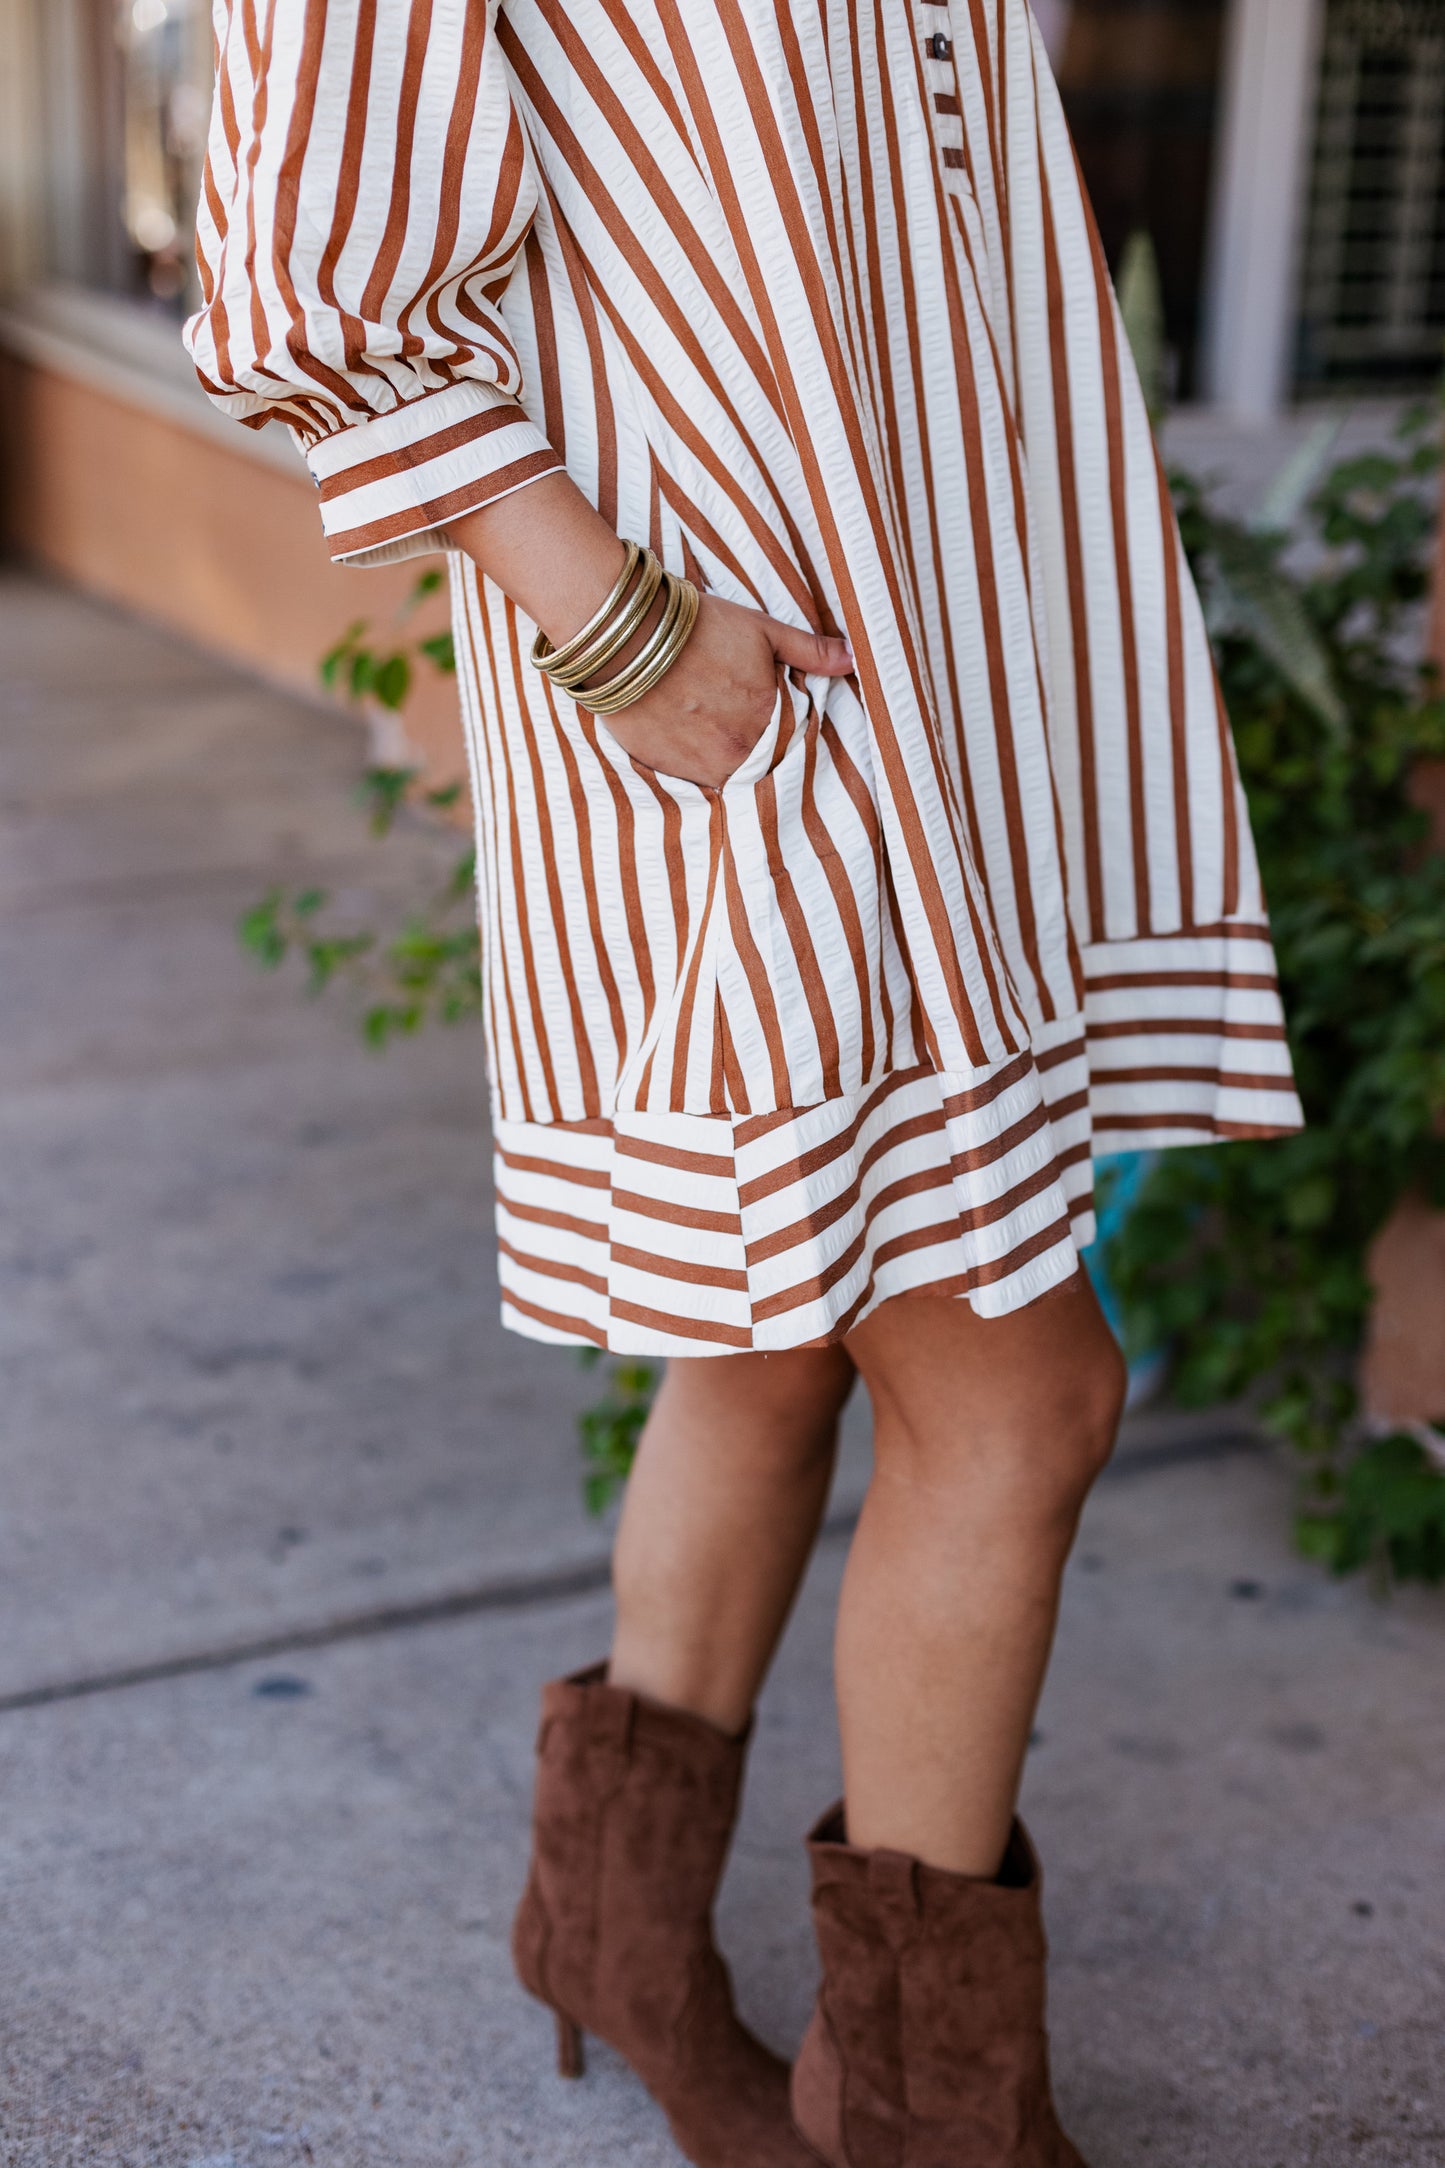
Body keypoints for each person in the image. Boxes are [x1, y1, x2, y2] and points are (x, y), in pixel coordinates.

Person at [186, 4, 1302, 2162]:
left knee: (779, 1333)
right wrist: (617, 628)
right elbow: (308, 269)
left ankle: (608, 1930)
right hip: (737, 666)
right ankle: (927, 2118)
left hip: (927, 656)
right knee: (1022, 1387)